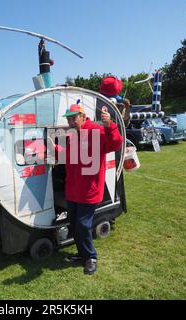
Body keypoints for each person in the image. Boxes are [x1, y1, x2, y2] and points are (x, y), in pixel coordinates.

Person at [50, 103, 123, 275]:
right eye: (68, 118)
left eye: (73, 118)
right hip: (73, 189)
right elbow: (68, 157)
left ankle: (91, 257)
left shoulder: (96, 131)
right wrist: (55, 148)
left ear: (83, 116)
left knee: (82, 225)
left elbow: (115, 144)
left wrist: (110, 125)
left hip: (88, 190)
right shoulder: (73, 135)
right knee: (75, 225)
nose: (70, 122)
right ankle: (82, 254)